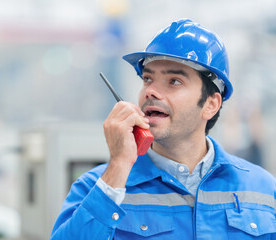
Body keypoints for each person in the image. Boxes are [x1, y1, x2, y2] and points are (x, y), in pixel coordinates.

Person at [50, 19, 276, 239]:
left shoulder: (262, 190)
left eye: (174, 81)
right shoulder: (97, 188)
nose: (151, 92)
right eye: (147, 79)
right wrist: (118, 167)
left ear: (211, 104)